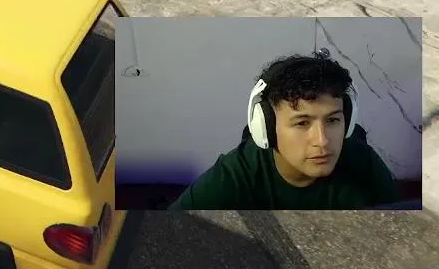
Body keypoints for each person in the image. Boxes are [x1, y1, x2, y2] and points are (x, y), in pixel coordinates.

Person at [168, 53, 400, 210]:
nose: (322, 141)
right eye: (302, 123)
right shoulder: (236, 175)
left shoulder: (365, 165)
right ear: (266, 127)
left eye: (332, 120)